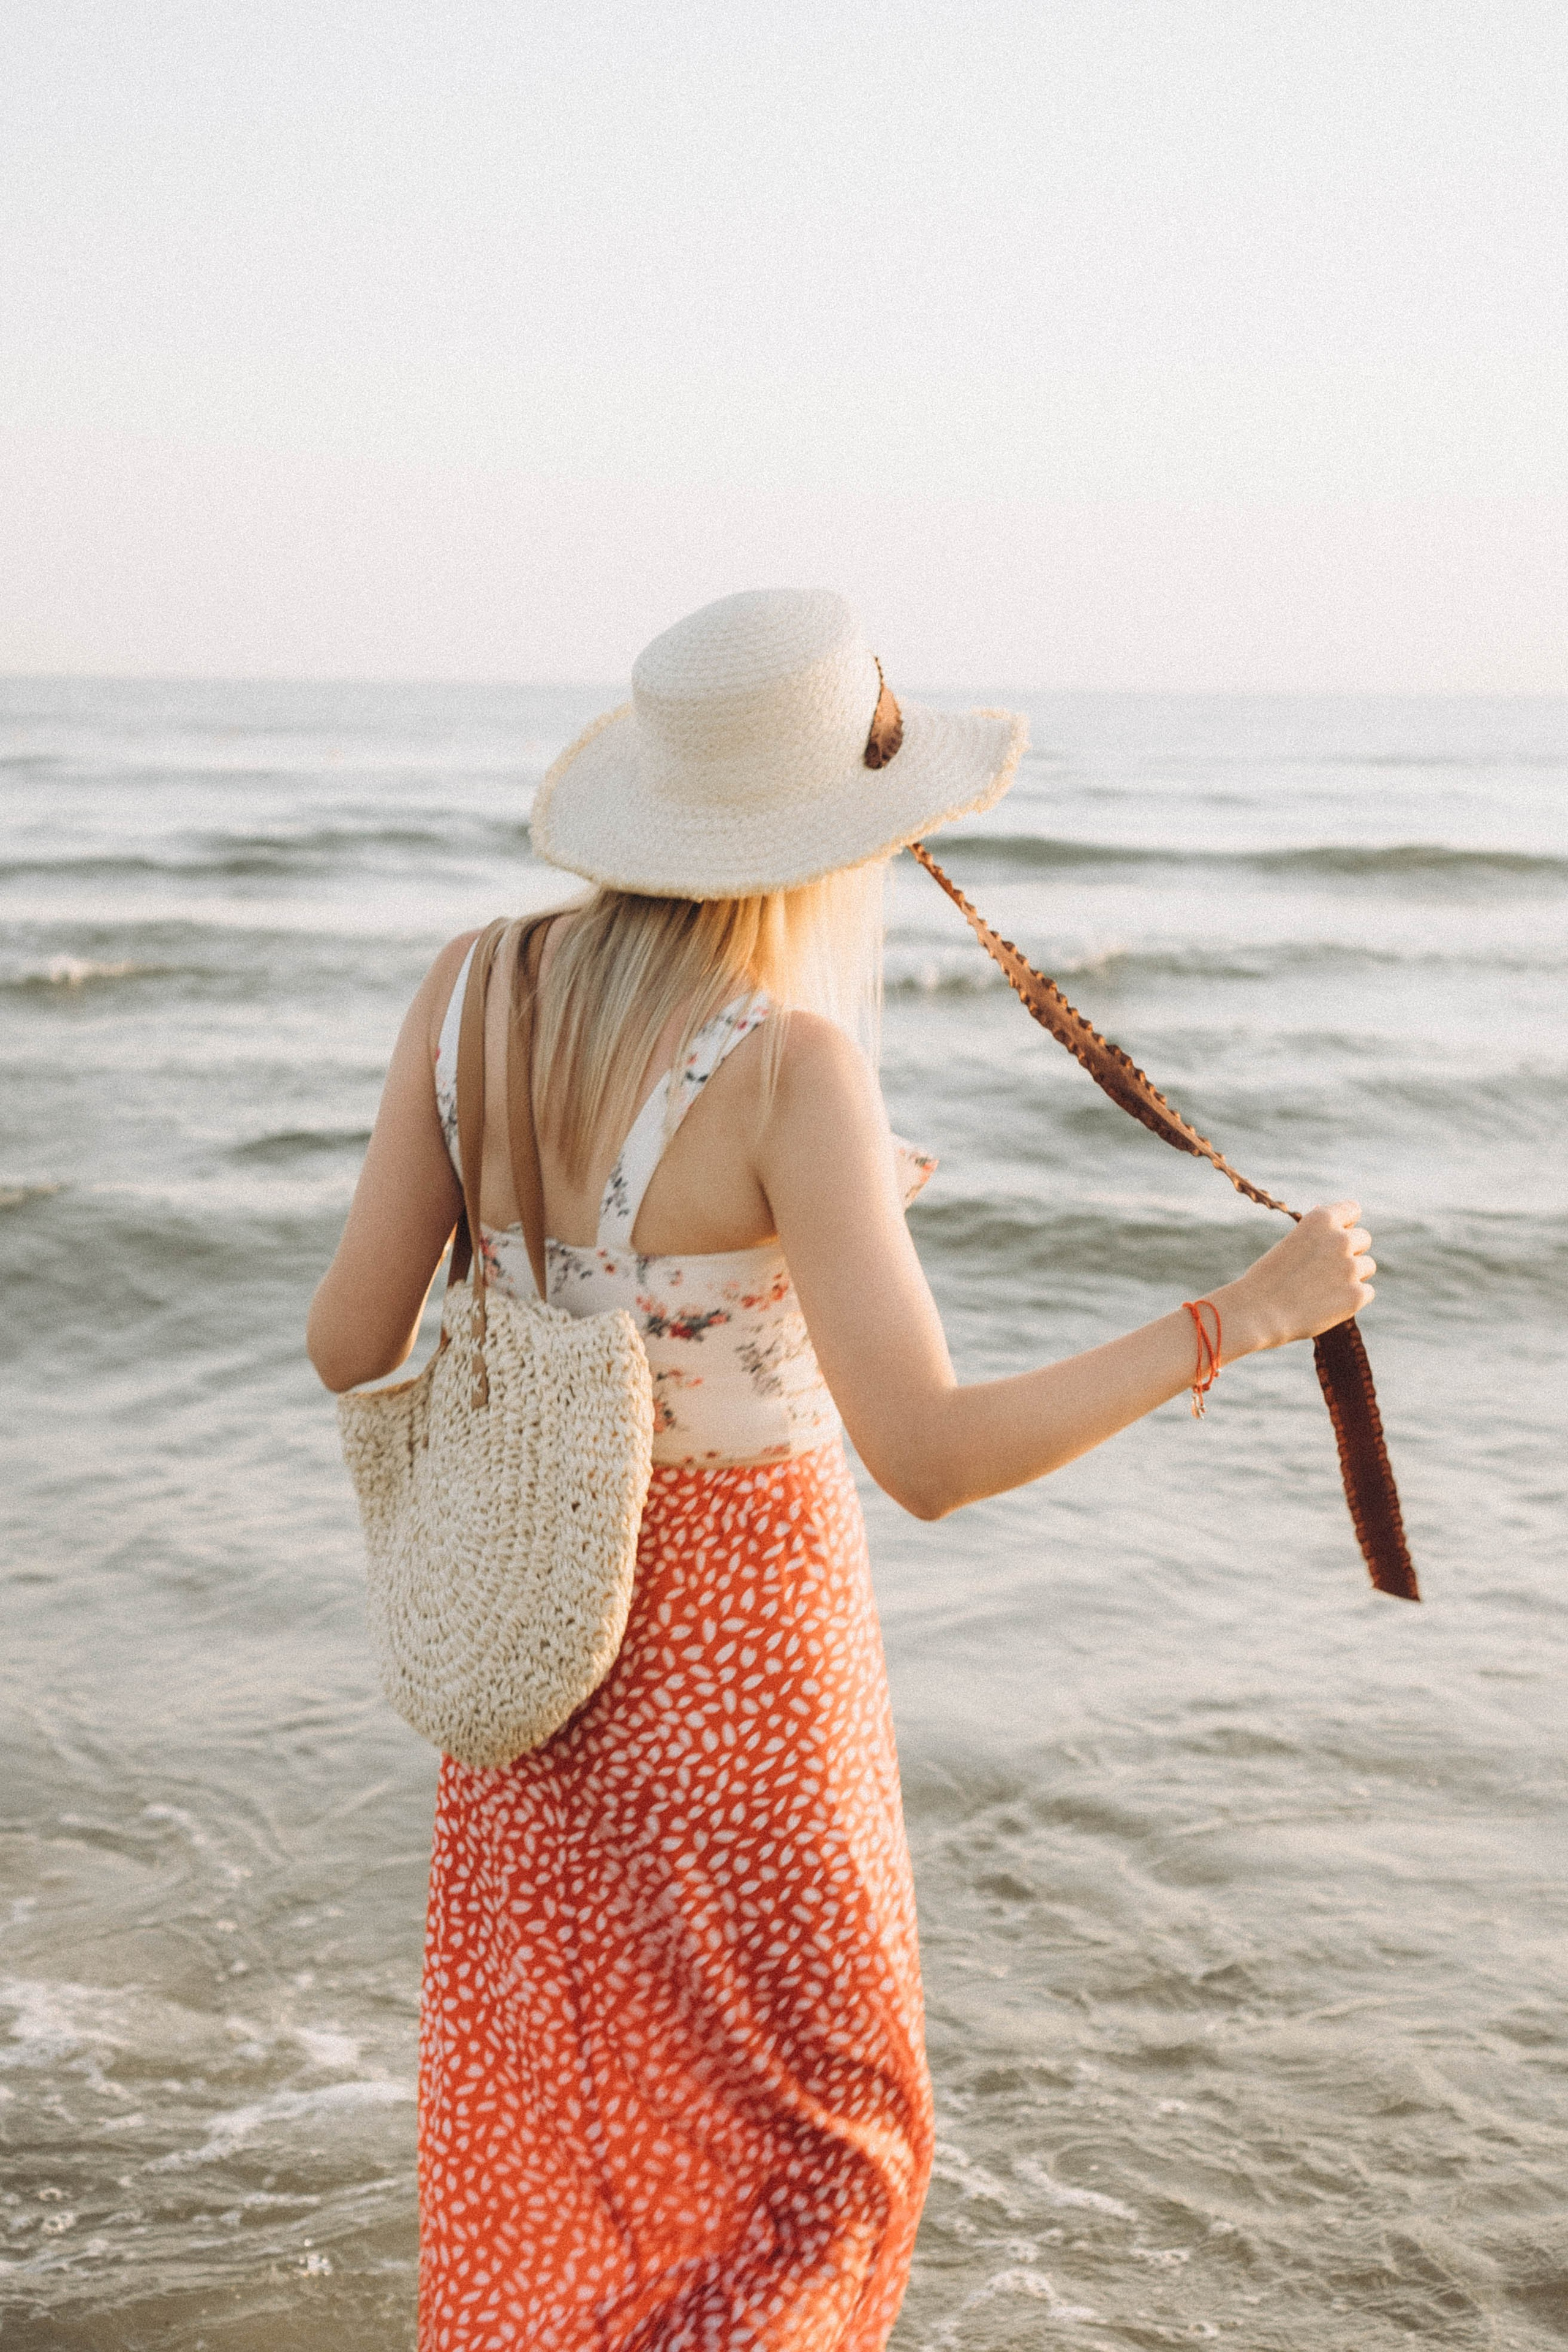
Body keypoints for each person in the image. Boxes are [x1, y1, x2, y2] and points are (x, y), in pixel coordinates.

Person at [307, 589, 1374, 2351]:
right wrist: (1241, 1320)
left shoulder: (472, 988)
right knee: (823, 2163)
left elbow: (352, 1347)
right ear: (832, 835)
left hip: (531, 1665)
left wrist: (557, 1281)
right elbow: (933, 1458)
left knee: (570, 2159)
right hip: (743, 1681)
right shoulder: (791, 1069)